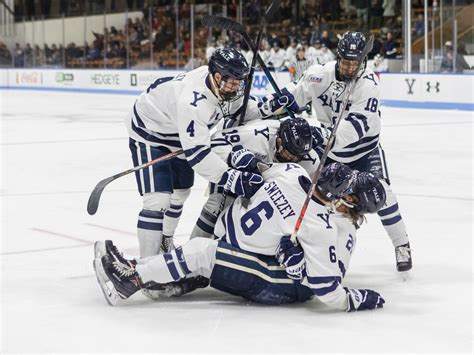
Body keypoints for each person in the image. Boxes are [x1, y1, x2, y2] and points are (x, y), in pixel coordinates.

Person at [93, 161, 386, 312]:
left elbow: (327, 287)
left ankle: (130, 279)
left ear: (352, 202)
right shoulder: (293, 176)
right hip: (259, 256)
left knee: (202, 253)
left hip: (277, 282)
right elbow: (262, 170)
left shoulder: (332, 228)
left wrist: (299, 270)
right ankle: (163, 282)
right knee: (206, 258)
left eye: (352, 192)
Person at [125, 47, 300, 260]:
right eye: (233, 83)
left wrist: (269, 107)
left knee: (180, 193)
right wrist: (231, 178)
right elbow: (198, 155)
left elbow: (241, 110)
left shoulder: (226, 85)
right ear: (217, 77)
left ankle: (165, 241)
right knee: (158, 200)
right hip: (150, 129)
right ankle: (147, 266)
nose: (237, 88)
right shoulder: (193, 101)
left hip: (178, 130)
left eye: (239, 83)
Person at [287, 31, 412, 272]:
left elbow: (355, 127)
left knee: (383, 195)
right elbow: (293, 97)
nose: (350, 67)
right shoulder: (317, 75)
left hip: (365, 152)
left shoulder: (369, 83)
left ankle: (401, 244)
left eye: (356, 63)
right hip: (331, 154)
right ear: (338, 57)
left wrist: (322, 136)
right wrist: (278, 104)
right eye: (346, 62)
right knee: (324, 202)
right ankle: (317, 249)